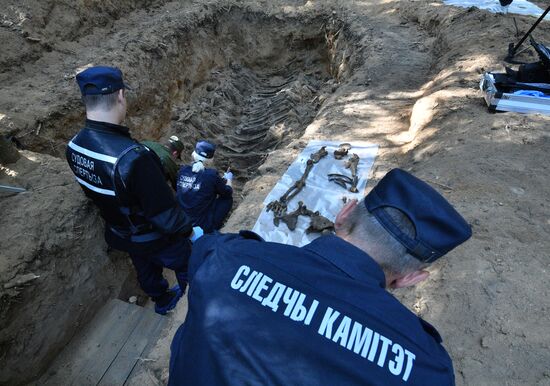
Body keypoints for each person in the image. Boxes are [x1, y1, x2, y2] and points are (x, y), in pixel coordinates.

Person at [168, 168, 472, 385]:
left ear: (344, 215)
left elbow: (202, 250)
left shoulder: (224, 256)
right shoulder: (426, 366)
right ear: (411, 278)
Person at [65, 66, 202, 315]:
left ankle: (161, 300)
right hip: (153, 236)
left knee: (144, 268)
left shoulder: (74, 147)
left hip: (120, 233)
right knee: (186, 264)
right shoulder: (133, 158)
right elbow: (165, 214)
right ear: (120, 96)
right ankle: (188, 309)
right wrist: (189, 231)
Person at [176, 140, 233, 233]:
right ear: (211, 159)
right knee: (227, 199)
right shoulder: (211, 175)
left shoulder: (182, 171)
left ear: (193, 154)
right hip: (202, 226)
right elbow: (227, 192)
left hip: (182, 223)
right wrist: (229, 180)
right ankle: (213, 227)